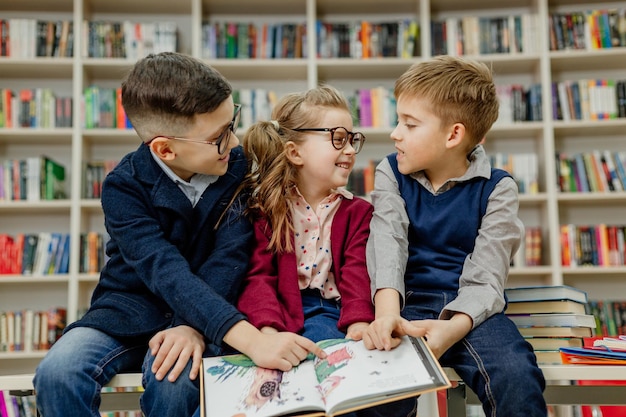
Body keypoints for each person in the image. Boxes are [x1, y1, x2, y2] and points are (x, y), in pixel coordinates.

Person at [33, 52, 323, 417]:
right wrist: (251, 340)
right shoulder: (123, 187)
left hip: (207, 312)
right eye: (218, 137)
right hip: (126, 313)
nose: (234, 144)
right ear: (165, 149)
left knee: (173, 385)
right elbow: (163, 269)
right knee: (58, 372)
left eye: (231, 123)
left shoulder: (236, 168)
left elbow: (229, 257)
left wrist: (190, 326)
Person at [362, 55, 548, 417]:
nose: (395, 133)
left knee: (516, 375)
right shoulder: (390, 172)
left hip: (472, 310)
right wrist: (386, 315)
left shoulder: (497, 187)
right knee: (380, 391)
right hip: (405, 305)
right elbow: (388, 244)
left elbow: (488, 276)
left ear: (453, 135)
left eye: (409, 124)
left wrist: (452, 328)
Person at [236, 85, 375, 344]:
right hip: (274, 312)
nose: (350, 150)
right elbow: (258, 276)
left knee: (322, 349)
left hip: (329, 313)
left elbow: (357, 271)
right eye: (338, 138)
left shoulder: (359, 212)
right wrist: (267, 331)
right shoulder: (267, 210)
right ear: (294, 152)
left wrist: (359, 321)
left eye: (352, 140)